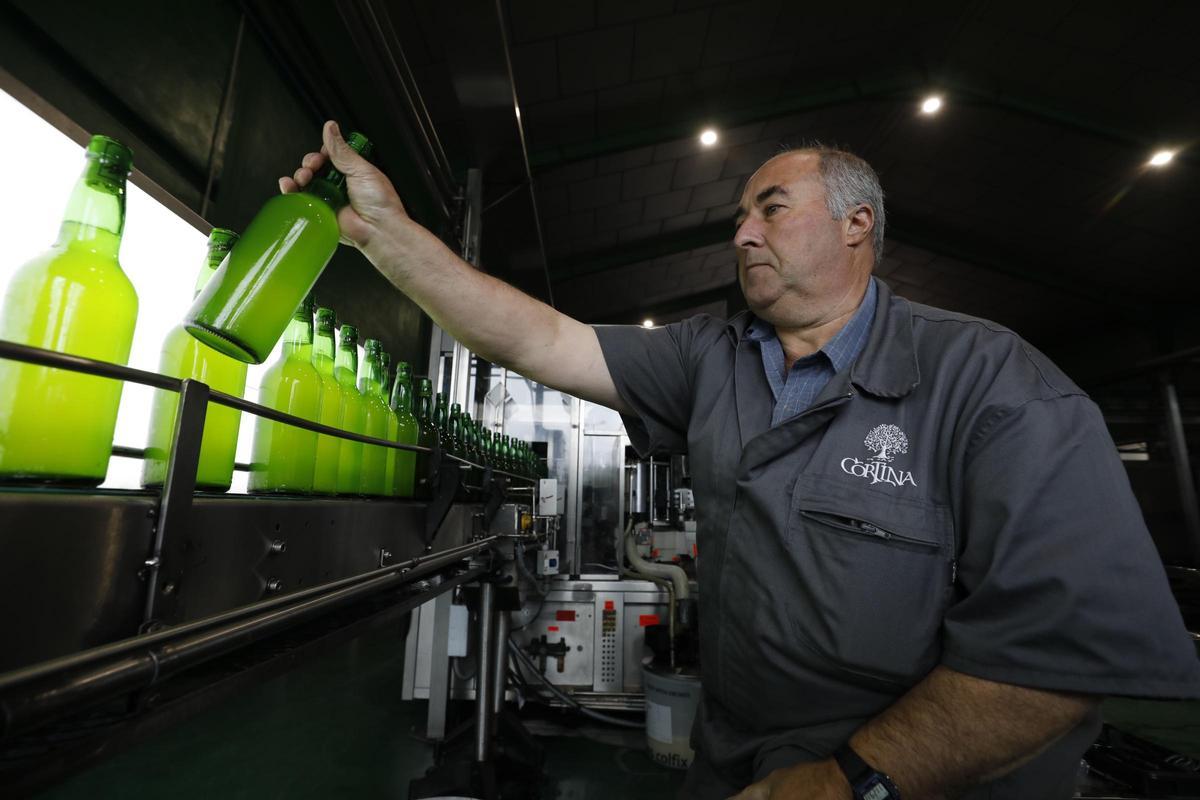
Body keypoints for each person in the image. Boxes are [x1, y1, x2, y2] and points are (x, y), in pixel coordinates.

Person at [282, 122, 1200, 800]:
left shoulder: (992, 387)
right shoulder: (709, 357)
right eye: (738, 217)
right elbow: (536, 338)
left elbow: (1056, 663)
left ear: (856, 226)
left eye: (771, 209)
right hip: (736, 762)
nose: (742, 234)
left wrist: (846, 784)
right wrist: (384, 236)